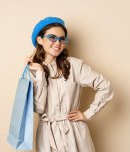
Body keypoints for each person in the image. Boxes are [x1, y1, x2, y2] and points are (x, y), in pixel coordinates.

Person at [25, 17, 114, 152]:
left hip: (75, 131)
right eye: (52, 37)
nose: (58, 43)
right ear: (39, 40)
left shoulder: (74, 65)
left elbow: (105, 86)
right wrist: (40, 75)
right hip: (47, 135)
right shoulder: (32, 70)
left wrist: (88, 114)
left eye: (62, 39)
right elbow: (39, 108)